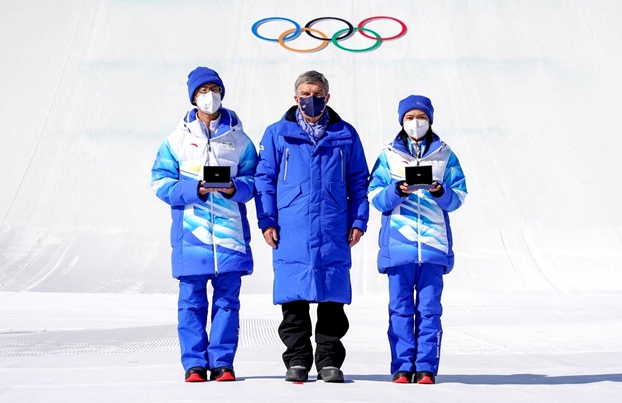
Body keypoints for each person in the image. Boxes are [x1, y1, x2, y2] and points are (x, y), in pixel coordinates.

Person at [254, 70, 369, 383]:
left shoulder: (345, 134)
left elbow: (359, 180)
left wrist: (358, 219)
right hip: (291, 228)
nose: (311, 99)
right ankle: (297, 360)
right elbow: (264, 180)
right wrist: (267, 220)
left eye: (318, 94)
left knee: (332, 298)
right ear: (296, 98)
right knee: (294, 298)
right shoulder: (277, 134)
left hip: (333, 226)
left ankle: (329, 361)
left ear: (327, 97)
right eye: (305, 94)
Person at [150, 67, 258, 383]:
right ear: (193, 97)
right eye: (202, 90)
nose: (209, 95)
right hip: (191, 238)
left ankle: (223, 363)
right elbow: (159, 182)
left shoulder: (240, 140)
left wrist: (234, 188)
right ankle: (194, 364)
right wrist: (193, 190)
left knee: (227, 305)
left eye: (214, 89)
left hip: (230, 237)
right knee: (191, 304)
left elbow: (256, 181)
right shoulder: (176, 140)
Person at [367, 95, 467, 384]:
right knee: (400, 310)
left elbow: (458, 197)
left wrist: (440, 191)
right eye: (409, 117)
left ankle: (425, 367)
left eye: (421, 117)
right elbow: (375, 196)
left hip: (433, 246)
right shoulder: (388, 155)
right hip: (399, 246)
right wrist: (397, 190)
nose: (415, 122)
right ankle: (402, 366)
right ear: (401, 121)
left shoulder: (445, 155)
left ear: (430, 120)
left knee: (429, 310)